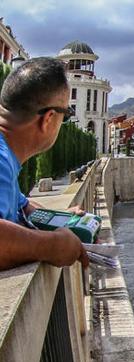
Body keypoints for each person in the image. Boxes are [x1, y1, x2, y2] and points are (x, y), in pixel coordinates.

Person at [0, 57, 88, 270]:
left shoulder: (7, 161)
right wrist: (51, 246)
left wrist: (61, 219)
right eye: (65, 116)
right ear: (48, 118)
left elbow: (23, 206)